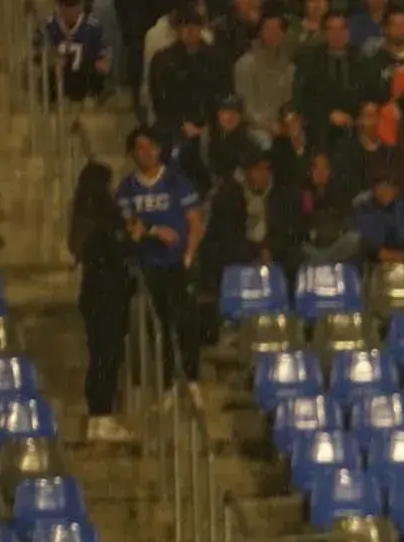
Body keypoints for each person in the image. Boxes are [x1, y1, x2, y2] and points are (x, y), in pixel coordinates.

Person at [115, 128, 205, 400]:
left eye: (151, 147)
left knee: (187, 322)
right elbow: (133, 227)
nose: (147, 153)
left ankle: (192, 381)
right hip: (149, 265)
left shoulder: (176, 179)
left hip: (178, 263)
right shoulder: (128, 187)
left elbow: (195, 222)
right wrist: (155, 230)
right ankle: (166, 385)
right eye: (140, 148)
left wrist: (189, 254)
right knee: (160, 326)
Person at [68, 161, 135, 445]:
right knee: (106, 355)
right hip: (107, 293)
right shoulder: (103, 217)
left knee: (102, 355)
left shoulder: (83, 219)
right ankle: (101, 415)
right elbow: (118, 248)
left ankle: (99, 416)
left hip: (95, 293)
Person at [148, 8, 229, 144]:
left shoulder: (218, 58)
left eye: (195, 25)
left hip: (213, 124)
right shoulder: (163, 59)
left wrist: (209, 125)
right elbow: (160, 99)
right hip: (175, 125)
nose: (190, 30)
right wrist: (182, 124)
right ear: (177, 29)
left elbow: (225, 92)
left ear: (202, 28)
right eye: (185, 25)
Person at [293, 13, 371, 147]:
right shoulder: (311, 60)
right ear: (325, 32)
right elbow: (304, 98)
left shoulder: (361, 59)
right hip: (322, 122)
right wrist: (328, 114)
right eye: (332, 29)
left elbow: (369, 91)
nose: (337, 34)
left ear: (348, 32)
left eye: (341, 29)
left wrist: (363, 111)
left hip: (356, 119)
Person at [233, 12, 293, 142]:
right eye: (269, 29)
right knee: (265, 141)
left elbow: (289, 103)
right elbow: (246, 107)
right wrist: (269, 126)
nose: (273, 33)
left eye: (278, 29)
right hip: (253, 127)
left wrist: (289, 123)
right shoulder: (245, 65)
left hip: (282, 125)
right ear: (260, 32)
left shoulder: (289, 67)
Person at [41, 0, 113, 102]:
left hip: (85, 79)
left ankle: (92, 96)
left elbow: (105, 58)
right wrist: (52, 58)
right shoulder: (49, 26)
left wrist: (102, 63)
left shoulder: (92, 26)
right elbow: (38, 54)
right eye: (66, 6)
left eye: (74, 6)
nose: (70, 11)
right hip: (57, 83)